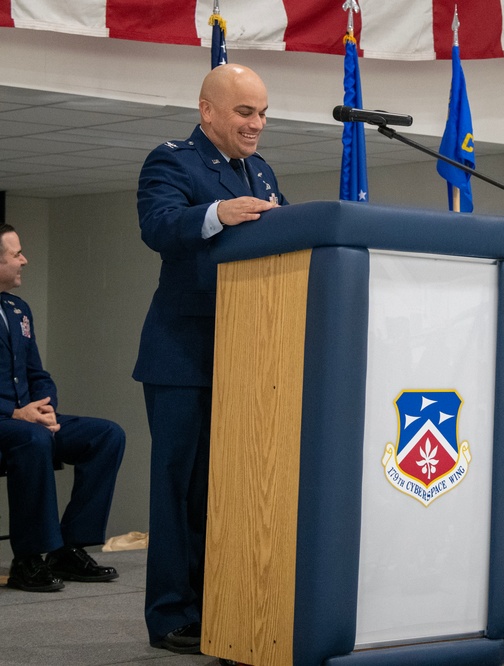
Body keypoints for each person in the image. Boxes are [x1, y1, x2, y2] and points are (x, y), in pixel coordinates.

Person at [134, 63, 288, 654]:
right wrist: (217, 214)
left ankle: (224, 601)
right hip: (183, 356)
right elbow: (158, 226)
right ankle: (173, 613)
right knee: (181, 488)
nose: (258, 124)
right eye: (245, 112)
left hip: (251, 351)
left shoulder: (263, 169)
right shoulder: (173, 160)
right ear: (208, 111)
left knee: (231, 488)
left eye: (263, 112)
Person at [0, 224, 125, 592]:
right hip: (11, 422)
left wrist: (47, 407)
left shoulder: (18, 308)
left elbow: (38, 374)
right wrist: (14, 413)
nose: (25, 259)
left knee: (106, 435)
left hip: (29, 419)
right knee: (33, 438)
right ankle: (29, 558)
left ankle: (69, 547)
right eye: (16, 254)